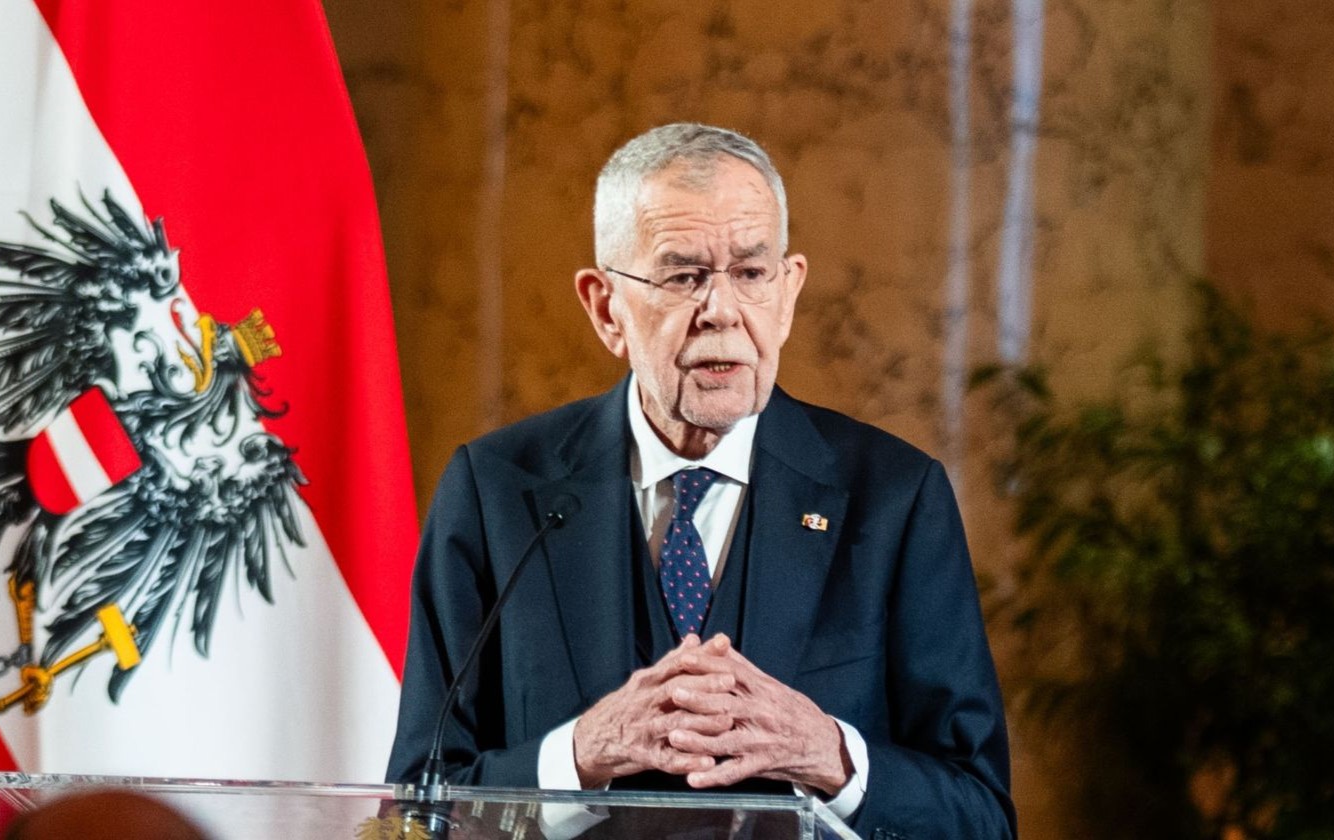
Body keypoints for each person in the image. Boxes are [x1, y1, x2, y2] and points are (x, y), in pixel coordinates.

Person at [386, 123, 1015, 839]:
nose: (721, 310)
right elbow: (414, 812)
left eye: (751, 274)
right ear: (604, 308)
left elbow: (981, 817)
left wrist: (831, 757)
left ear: (789, 291)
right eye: (683, 276)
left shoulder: (895, 498)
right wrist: (581, 756)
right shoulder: (496, 494)